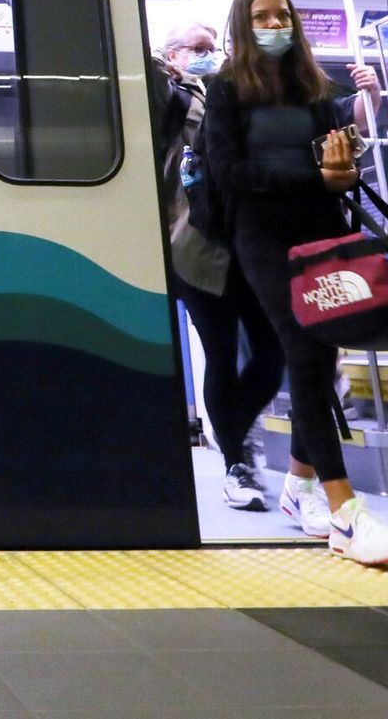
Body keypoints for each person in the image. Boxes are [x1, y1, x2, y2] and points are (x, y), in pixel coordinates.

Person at [203, 0, 388, 564]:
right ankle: (345, 509)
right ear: (244, 27)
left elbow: (330, 151)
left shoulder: (314, 85)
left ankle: (298, 487)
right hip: (262, 233)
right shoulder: (226, 89)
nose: (276, 24)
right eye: (262, 16)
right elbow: (230, 172)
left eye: (283, 14)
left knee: (324, 357)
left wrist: (339, 163)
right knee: (301, 347)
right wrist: (315, 179)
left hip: (323, 229)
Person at [153, 28, 282, 511]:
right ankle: (235, 463)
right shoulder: (170, 96)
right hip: (196, 245)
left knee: (272, 354)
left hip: (250, 243)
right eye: (196, 49)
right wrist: (159, 63)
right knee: (221, 355)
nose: (209, 56)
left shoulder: (238, 92)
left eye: (213, 48)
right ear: (173, 56)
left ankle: (233, 434)